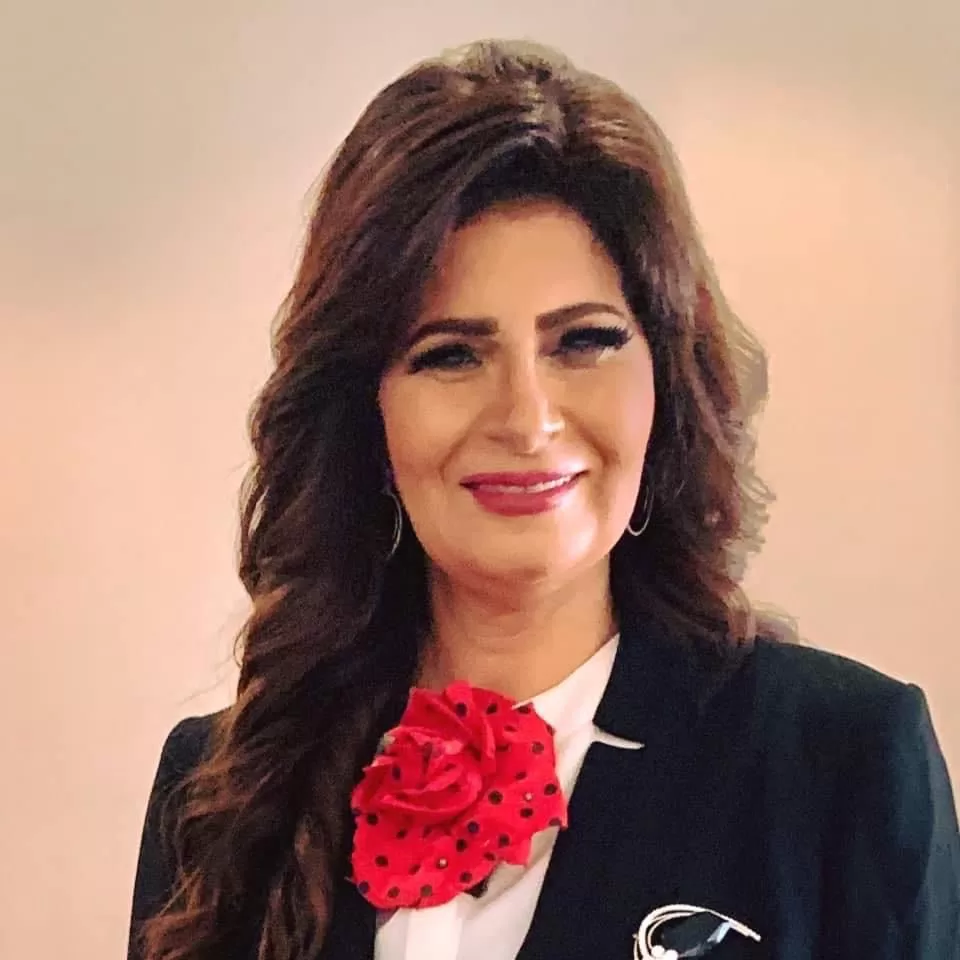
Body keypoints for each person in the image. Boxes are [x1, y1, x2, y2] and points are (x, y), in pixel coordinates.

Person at [127, 39, 960, 960]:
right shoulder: (218, 792)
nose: (527, 420)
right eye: (451, 354)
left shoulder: (838, 759)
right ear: (367, 415)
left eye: (584, 341)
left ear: (666, 388)